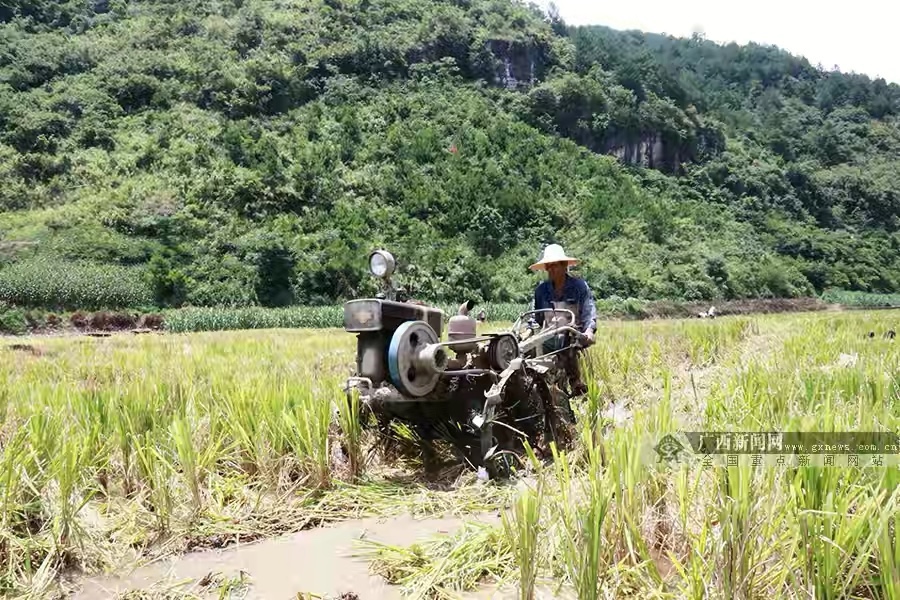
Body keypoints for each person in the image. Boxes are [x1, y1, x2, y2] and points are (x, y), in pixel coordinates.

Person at [529, 243, 596, 395]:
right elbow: (535, 318)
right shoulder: (541, 291)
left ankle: (575, 383)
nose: (551, 269)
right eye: (549, 266)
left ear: (565, 265)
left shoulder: (579, 287)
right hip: (549, 337)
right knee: (526, 349)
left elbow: (589, 312)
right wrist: (528, 331)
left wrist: (589, 331)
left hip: (573, 336)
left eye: (555, 265)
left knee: (568, 339)